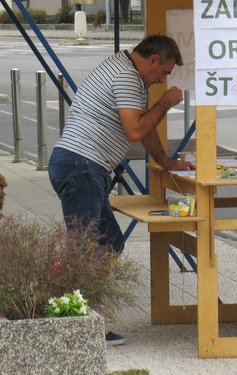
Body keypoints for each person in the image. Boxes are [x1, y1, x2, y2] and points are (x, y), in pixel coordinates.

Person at [48, 34, 195, 345]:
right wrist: (164, 103)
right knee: (87, 249)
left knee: (110, 242)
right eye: (164, 71)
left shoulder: (125, 71)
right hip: (81, 165)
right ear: (153, 60)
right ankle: (80, 324)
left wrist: (166, 162)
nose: (163, 78)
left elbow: (144, 129)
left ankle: (79, 313)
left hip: (83, 166)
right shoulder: (126, 77)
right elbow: (135, 129)